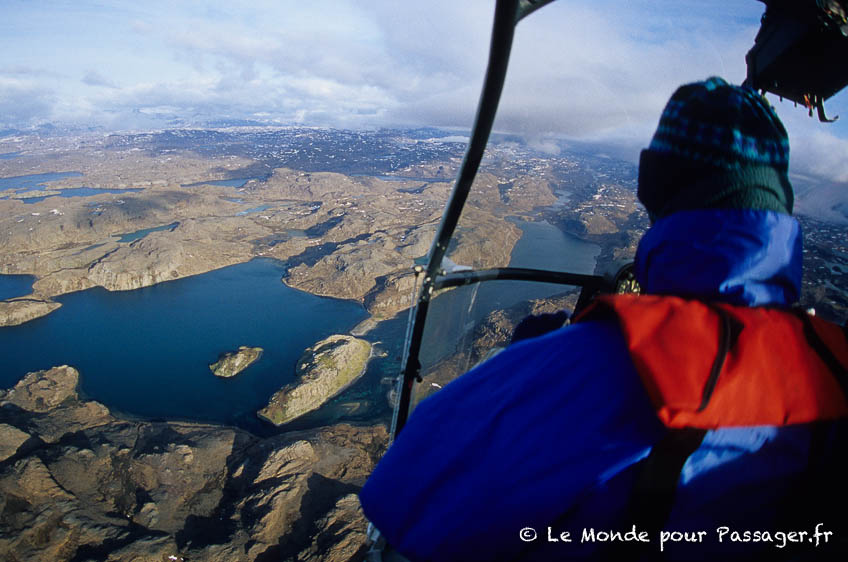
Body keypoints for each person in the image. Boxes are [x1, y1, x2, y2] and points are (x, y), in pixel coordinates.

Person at [359, 77, 848, 561]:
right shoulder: (834, 362)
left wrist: (514, 367)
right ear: (781, 201)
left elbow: (402, 493)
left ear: (653, 186)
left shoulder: (590, 365)